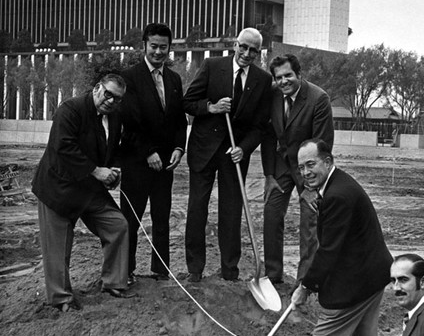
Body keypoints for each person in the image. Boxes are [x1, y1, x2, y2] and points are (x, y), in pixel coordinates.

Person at [291, 139, 393, 336]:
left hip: (358, 282)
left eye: (311, 164)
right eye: (302, 167)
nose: (305, 172)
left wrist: (305, 287)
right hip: (373, 276)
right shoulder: (338, 184)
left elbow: (328, 251)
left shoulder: (338, 195)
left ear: (328, 162)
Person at [32, 73, 134, 312]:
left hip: (89, 190)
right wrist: (97, 171)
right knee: (58, 247)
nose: (111, 101)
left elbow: (114, 149)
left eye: (117, 99)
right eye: (108, 94)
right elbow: (63, 147)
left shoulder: (116, 117)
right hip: (58, 188)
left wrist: (113, 171)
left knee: (118, 225)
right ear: (97, 88)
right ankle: (61, 299)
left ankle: (114, 283)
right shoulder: (70, 109)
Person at [183, 27, 272, 282]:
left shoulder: (262, 80)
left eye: (253, 50)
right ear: (235, 44)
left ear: (258, 53)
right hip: (203, 151)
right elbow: (188, 102)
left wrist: (243, 148)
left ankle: (229, 270)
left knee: (231, 212)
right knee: (197, 208)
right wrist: (211, 107)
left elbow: (260, 126)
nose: (246, 53)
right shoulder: (212, 66)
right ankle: (194, 269)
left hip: (234, 155)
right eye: (243, 47)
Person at [120, 23, 187, 284]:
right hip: (137, 162)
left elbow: (179, 120)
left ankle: (161, 270)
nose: (158, 52)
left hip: (165, 166)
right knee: (130, 220)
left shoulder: (173, 79)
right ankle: (125, 271)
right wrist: (148, 152)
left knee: (161, 218)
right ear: (144, 46)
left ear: (170, 48)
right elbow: (130, 120)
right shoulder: (129, 77)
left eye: (164, 47)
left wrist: (179, 149)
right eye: (154, 46)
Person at [261, 54, 333, 284]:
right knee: (271, 213)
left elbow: (322, 146)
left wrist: (311, 186)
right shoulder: (272, 94)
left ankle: (305, 283)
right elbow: (268, 136)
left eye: (288, 75)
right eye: (279, 77)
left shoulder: (318, 99)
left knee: (310, 222)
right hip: (282, 165)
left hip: (310, 167)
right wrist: (269, 175)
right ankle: (273, 276)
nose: (284, 81)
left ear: (299, 74)